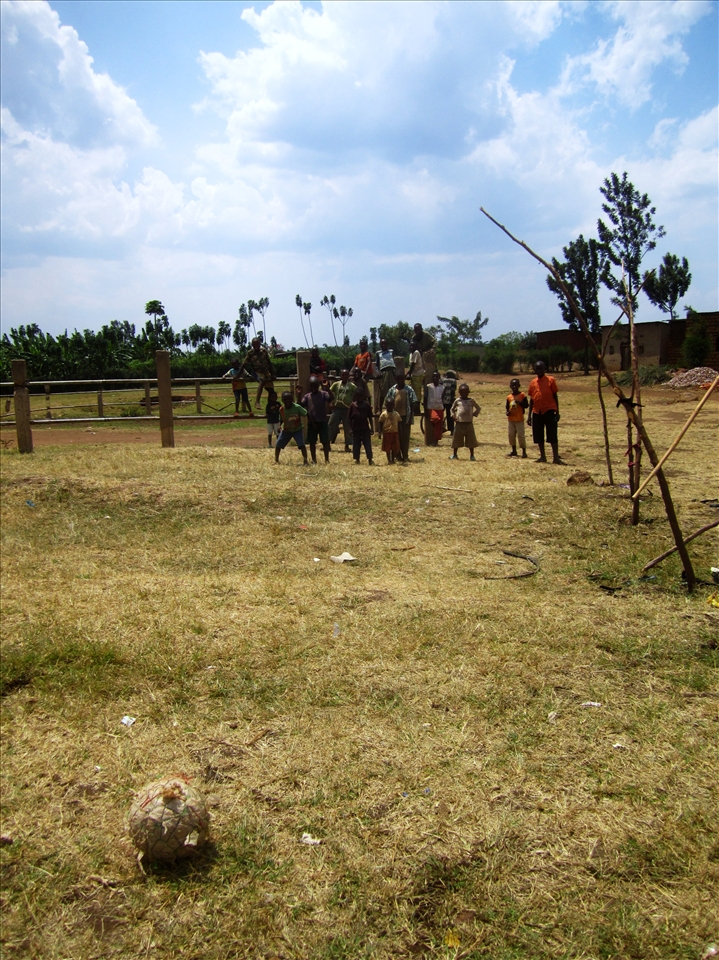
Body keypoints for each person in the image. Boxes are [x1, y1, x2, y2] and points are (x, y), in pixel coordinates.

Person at [527, 361, 564, 464]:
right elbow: (531, 399)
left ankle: (556, 458)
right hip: (537, 411)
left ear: (544, 369)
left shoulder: (550, 380)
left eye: (540, 368)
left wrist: (557, 411)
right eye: (536, 368)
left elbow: (555, 396)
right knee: (538, 435)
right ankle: (542, 456)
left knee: (552, 434)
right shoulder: (533, 382)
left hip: (549, 410)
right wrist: (529, 415)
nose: (538, 370)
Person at [385, 372, 418, 463]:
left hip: (405, 417)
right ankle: (397, 455)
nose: (400, 381)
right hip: (394, 418)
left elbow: (414, 402)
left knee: (405, 437)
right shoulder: (392, 390)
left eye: (402, 379)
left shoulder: (409, 389)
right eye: (398, 379)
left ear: (404, 379)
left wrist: (411, 414)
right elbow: (387, 402)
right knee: (396, 437)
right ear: (395, 379)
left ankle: (405, 455)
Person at [301, 375, 333, 464]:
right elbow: (301, 405)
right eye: (311, 386)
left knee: (325, 442)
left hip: (322, 421)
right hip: (312, 423)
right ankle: (314, 460)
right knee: (312, 442)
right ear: (309, 386)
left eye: (315, 385)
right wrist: (299, 394)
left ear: (318, 386)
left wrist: (327, 388)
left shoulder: (323, 394)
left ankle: (327, 460)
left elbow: (331, 398)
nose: (313, 388)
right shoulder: (307, 396)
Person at [275, 390, 308, 465]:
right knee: (278, 445)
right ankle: (276, 460)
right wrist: (279, 425)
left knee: (302, 445)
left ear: (292, 399)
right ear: (282, 400)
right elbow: (282, 419)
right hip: (287, 430)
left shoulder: (297, 407)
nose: (287, 401)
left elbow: (305, 413)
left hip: (297, 429)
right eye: (285, 399)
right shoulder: (281, 409)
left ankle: (305, 461)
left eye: (289, 399)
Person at [449, 383, 480, 460]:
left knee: (471, 440)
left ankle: (472, 455)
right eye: (462, 392)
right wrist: (453, 416)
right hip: (459, 423)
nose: (464, 394)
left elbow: (478, 408)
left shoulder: (471, 401)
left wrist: (475, 414)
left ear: (468, 392)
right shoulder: (458, 401)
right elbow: (452, 409)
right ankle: (454, 454)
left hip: (469, 423)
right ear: (459, 392)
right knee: (456, 439)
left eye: (465, 392)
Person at [329, 368, 356, 452]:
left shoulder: (352, 386)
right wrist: (331, 402)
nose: (344, 376)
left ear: (348, 376)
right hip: (337, 408)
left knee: (347, 426)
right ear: (340, 376)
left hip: (347, 408)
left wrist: (353, 405)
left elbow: (356, 394)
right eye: (343, 375)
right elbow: (329, 392)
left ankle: (347, 445)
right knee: (331, 424)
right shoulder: (336, 384)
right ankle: (327, 444)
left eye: (346, 375)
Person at [243, 338, 275, 407]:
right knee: (262, 380)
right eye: (254, 344)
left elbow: (269, 362)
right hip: (256, 372)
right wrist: (238, 375)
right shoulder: (250, 353)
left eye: (257, 344)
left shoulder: (263, 351)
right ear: (252, 345)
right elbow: (244, 364)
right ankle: (257, 402)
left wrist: (273, 374)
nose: (256, 346)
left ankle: (270, 408)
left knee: (271, 391)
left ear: (260, 344)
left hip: (266, 372)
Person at [348, 386, 374, 465]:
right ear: (355, 396)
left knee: (367, 444)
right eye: (358, 396)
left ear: (363, 396)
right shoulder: (353, 406)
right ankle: (357, 459)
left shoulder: (366, 405)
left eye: (361, 396)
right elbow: (349, 418)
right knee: (356, 444)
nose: (360, 398)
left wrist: (372, 428)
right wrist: (350, 429)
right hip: (356, 429)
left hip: (365, 428)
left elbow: (370, 417)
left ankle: (370, 459)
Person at [506, 378, 528, 458]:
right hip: (511, 419)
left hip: (519, 419)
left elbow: (526, 405)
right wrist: (507, 413)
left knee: (521, 435)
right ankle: (514, 450)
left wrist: (520, 403)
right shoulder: (509, 397)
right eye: (513, 385)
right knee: (511, 435)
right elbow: (507, 407)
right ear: (510, 386)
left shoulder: (522, 395)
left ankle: (524, 451)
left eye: (516, 385)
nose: (514, 387)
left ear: (519, 386)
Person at [424, 370, 445, 445]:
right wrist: (425, 408)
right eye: (434, 377)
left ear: (439, 378)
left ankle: (436, 441)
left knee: (438, 426)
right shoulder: (429, 386)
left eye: (437, 377)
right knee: (435, 419)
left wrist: (444, 407)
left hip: (440, 407)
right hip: (431, 407)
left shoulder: (442, 387)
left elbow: (443, 398)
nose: (435, 378)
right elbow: (425, 397)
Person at [375, 337, 396, 410]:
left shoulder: (391, 351)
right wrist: (378, 372)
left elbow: (394, 360)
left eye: (385, 344)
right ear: (380, 345)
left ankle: (393, 407)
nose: (384, 345)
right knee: (383, 391)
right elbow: (377, 365)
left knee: (394, 390)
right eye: (382, 344)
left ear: (387, 344)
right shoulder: (378, 353)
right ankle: (380, 408)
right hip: (384, 372)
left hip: (392, 371)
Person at [378, 396, 401, 464]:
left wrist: (400, 432)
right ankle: (389, 460)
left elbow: (399, 423)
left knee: (394, 447)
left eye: (391, 405)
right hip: (387, 433)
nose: (390, 407)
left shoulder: (396, 414)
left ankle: (393, 459)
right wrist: (380, 432)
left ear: (394, 405)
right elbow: (380, 423)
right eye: (388, 405)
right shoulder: (383, 414)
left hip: (395, 432)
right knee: (387, 448)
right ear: (385, 405)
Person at [408, 339, 426, 406]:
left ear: (416, 347)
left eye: (413, 346)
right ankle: (415, 405)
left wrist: (408, 374)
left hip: (418, 374)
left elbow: (413, 365)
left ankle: (417, 406)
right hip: (414, 374)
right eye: (411, 346)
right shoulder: (411, 354)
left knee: (417, 391)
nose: (411, 347)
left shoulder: (416, 352)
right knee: (414, 391)